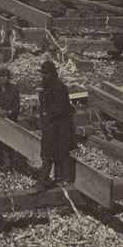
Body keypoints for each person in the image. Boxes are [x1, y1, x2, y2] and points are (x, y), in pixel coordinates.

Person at [33, 60, 76, 190]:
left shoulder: (59, 88)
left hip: (59, 125)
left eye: (46, 74)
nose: (43, 76)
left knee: (50, 154)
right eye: (42, 74)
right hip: (52, 125)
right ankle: (58, 180)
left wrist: (46, 117)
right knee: (54, 152)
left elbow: (59, 107)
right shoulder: (48, 88)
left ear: (53, 74)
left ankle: (42, 182)